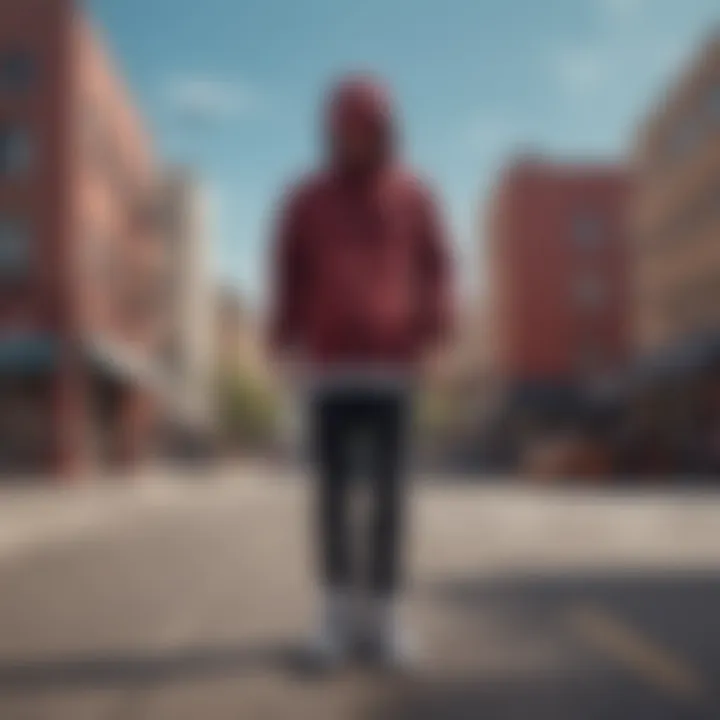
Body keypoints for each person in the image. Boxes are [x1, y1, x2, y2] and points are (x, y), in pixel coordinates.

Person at [268, 74, 454, 670]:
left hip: (393, 366)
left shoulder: (414, 195)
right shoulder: (306, 199)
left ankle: (383, 618)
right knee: (331, 498)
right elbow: (287, 272)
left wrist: (435, 330)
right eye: (344, 131)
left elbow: (438, 266)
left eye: (365, 130)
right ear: (330, 133)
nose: (354, 141)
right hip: (329, 367)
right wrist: (282, 337)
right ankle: (335, 615)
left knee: (390, 499)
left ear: (386, 131)